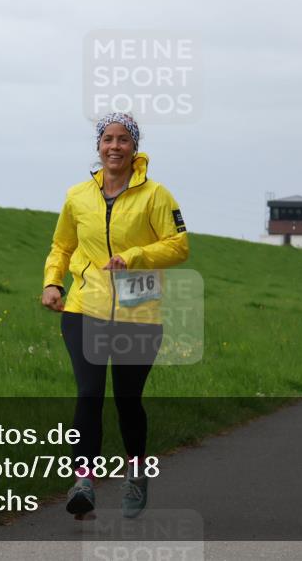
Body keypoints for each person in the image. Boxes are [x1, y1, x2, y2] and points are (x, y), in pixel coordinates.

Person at [41, 112, 190, 519]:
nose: (115, 146)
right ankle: (83, 482)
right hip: (84, 308)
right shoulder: (77, 197)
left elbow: (179, 245)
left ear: (134, 147)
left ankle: (136, 473)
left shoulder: (156, 196)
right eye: (108, 138)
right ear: (98, 146)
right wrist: (53, 283)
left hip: (137, 311)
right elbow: (61, 246)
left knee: (127, 400)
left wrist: (136, 256)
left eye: (124, 139)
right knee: (89, 394)